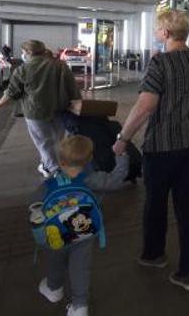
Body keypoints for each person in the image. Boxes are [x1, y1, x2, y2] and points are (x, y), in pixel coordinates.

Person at [112, 10, 189, 292]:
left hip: (164, 146)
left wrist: (123, 138)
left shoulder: (160, 64)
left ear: (165, 33)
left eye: (157, 29)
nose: (156, 33)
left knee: (155, 203)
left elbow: (145, 106)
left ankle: (154, 254)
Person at [35, 135, 129, 316]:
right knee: (80, 268)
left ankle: (53, 288)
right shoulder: (93, 179)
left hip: (57, 233)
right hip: (85, 230)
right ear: (89, 159)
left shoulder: (48, 184)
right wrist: (122, 157)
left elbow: (34, 207)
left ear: (60, 162)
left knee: (55, 260)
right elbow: (117, 179)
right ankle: (79, 306)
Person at [0, 40, 81, 178]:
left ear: (29, 52)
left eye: (23, 52)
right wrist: (79, 105)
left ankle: (54, 169)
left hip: (35, 112)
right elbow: (73, 88)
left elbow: (11, 92)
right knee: (59, 140)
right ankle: (51, 165)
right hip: (60, 110)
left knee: (44, 142)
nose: (22, 54)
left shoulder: (23, 69)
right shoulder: (60, 65)